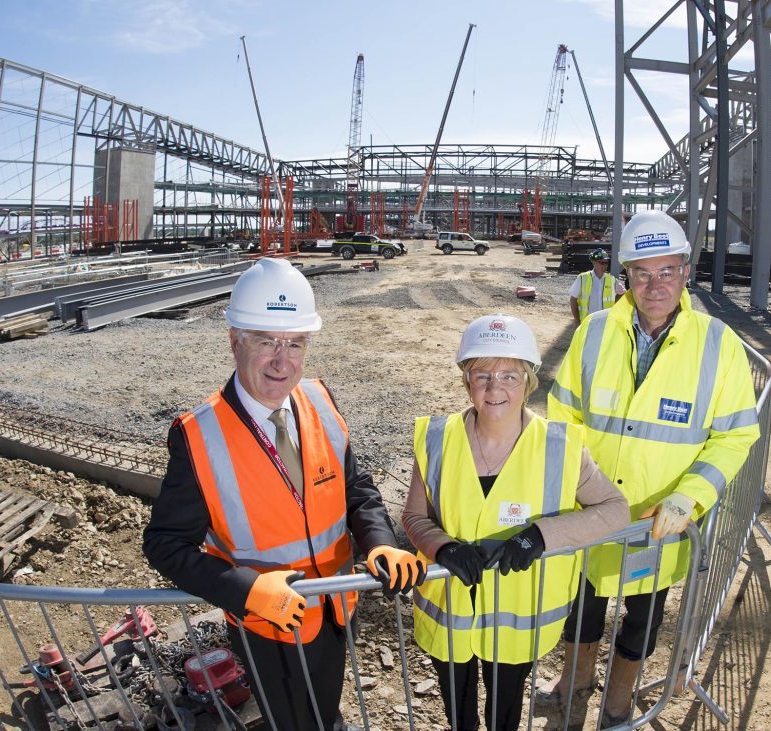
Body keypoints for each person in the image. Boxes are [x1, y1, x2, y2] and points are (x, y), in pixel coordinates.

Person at [143, 258, 425, 731]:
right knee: (291, 721)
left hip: (336, 606)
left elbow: (356, 489)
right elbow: (165, 545)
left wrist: (381, 542)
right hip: (268, 625)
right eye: (266, 341)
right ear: (235, 341)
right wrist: (247, 589)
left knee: (323, 706)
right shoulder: (198, 435)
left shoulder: (319, 400)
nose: (282, 360)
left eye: (294, 343)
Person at [540, 211, 760, 725]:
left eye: (666, 271)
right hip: (591, 512)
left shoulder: (717, 343)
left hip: (660, 520)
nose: (654, 285)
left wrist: (690, 498)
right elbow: (563, 414)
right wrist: (577, 480)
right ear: (626, 277)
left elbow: (735, 434)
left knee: (643, 616)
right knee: (583, 606)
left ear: (686, 272)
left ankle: (618, 700)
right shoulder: (594, 332)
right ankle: (576, 683)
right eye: (642, 273)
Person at [402, 314, 628, 731]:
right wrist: (443, 547)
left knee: (504, 712)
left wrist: (539, 538)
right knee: (459, 709)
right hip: (450, 613)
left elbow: (615, 509)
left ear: (528, 381)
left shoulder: (560, 446)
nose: (494, 387)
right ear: (465, 380)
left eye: (509, 374)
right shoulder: (436, 438)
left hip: (518, 618)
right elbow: (415, 515)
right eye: (481, 374)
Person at [568, 247, 625, 324]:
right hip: (587, 322)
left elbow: (623, 293)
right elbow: (573, 299)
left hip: (605, 323)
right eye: (602, 263)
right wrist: (577, 321)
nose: (605, 265)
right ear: (594, 262)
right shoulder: (582, 278)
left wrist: (615, 305)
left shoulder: (612, 280)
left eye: (606, 263)